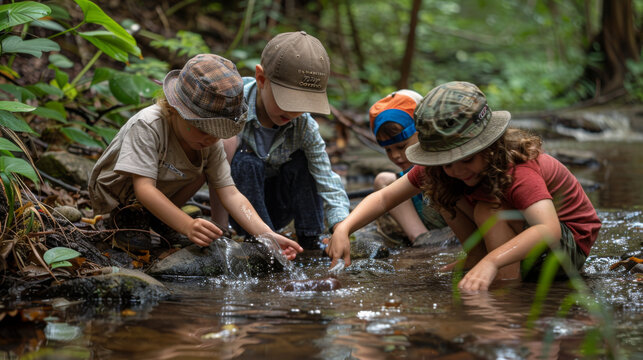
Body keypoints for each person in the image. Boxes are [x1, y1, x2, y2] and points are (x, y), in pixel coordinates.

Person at [327, 81, 601, 290]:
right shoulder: (442, 168)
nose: (456, 170)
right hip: (526, 240)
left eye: (466, 159)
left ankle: (506, 285)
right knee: (441, 188)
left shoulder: (518, 166)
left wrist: (493, 262)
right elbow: (385, 198)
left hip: (566, 249)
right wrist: (345, 227)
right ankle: (478, 257)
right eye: (447, 162)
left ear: (490, 146)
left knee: (487, 209)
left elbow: (549, 229)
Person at [88, 54, 303, 260]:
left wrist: (266, 234)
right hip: (120, 197)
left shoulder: (209, 142)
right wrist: (186, 225)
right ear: (175, 108)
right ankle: (129, 219)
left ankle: (159, 220)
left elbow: (230, 193)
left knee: (205, 166)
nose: (210, 138)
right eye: (201, 128)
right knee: (137, 218)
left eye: (217, 131)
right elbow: (144, 188)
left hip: (165, 190)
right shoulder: (149, 125)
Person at [220, 31, 350, 250]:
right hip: (243, 210)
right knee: (246, 161)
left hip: (282, 203)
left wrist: (341, 227)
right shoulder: (232, 106)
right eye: (288, 101)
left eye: (303, 104)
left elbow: (327, 180)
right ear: (261, 80)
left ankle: (310, 240)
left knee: (304, 162)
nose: (294, 111)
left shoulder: (304, 126)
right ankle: (261, 243)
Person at [368, 89, 452, 245]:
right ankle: (421, 238)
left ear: (421, 132)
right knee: (383, 180)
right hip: (429, 225)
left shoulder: (447, 162)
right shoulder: (410, 174)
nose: (395, 156)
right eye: (388, 150)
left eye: (401, 146)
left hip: (454, 226)